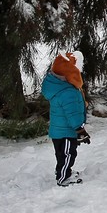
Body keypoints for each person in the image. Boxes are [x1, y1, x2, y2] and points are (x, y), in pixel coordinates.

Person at [40, 51, 90, 186]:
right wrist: (80, 130)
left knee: (63, 154)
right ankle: (63, 178)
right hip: (66, 131)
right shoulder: (68, 93)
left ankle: (64, 172)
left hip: (60, 131)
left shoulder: (60, 88)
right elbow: (72, 114)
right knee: (68, 155)